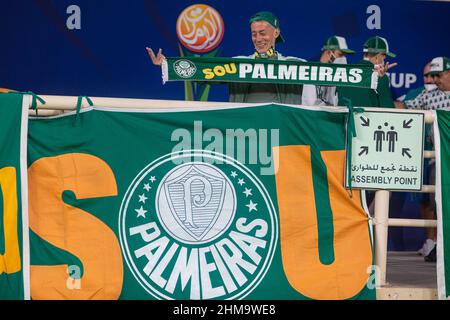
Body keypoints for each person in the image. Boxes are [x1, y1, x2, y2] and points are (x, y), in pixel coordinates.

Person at [147, 11, 316, 105]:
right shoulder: (239, 63)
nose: (258, 39)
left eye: (263, 33)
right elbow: (205, 72)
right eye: (254, 34)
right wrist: (166, 64)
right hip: (248, 133)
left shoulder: (296, 65)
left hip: (283, 131)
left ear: (276, 33)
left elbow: (326, 79)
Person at [336, 36, 397, 108]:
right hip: (368, 119)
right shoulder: (380, 76)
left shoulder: (344, 72)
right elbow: (387, 109)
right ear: (377, 57)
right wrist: (382, 78)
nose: (385, 59)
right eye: (384, 56)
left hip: (344, 118)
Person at [315, 35, 355, 106]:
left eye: (345, 55)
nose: (343, 59)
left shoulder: (339, 76)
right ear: (329, 53)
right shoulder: (312, 72)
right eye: (340, 55)